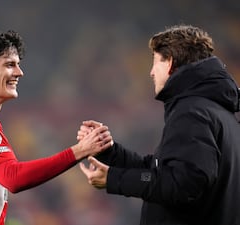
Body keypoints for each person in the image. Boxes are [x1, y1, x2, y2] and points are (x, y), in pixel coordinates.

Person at [0, 27, 113, 225]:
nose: (19, 73)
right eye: (9, 65)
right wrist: (80, 150)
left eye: (18, 65)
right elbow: (12, 178)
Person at [78, 25, 240, 225]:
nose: (151, 72)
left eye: (155, 62)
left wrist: (114, 179)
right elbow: (162, 172)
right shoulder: (219, 112)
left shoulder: (192, 111)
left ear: (170, 62)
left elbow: (182, 185)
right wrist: (110, 152)